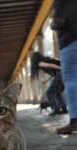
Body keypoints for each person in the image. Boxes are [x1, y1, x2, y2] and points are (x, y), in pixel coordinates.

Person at [51, 0, 77, 133]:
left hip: (71, 42)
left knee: (71, 79)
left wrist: (52, 25)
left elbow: (58, 20)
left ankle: (74, 120)